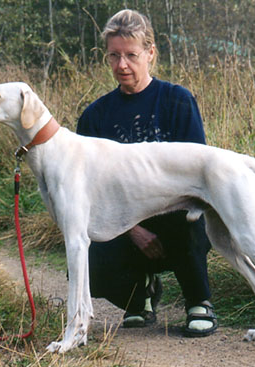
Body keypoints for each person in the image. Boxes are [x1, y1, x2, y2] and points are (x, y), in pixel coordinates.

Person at [76, 9, 217, 337]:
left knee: (190, 221)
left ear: (150, 53)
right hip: (123, 222)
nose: (122, 65)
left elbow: (196, 175)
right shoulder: (95, 116)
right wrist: (133, 230)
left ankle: (199, 302)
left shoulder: (177, 101)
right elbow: (90, 191)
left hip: (175, 213)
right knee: (87, 258)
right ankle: (140, 298)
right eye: (114, 56)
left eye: (131, 55)